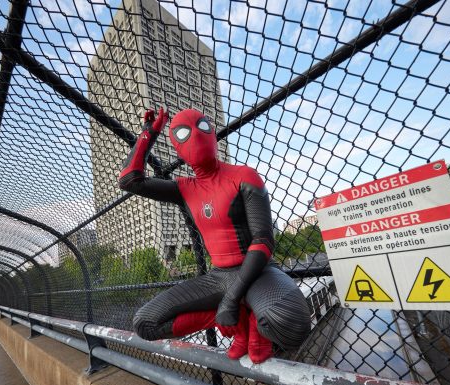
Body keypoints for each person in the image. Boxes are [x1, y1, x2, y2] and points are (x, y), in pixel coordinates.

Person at [119, 107, 311, 363]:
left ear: (213, 135)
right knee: (145, 323)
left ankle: (254, 321)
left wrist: (230, 300)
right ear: (177, 148)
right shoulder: (184, 188)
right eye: (184, 133)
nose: (196, 135)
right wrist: (148, 134)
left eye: (203, 127)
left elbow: (264, 241)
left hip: (257, 272)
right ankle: (243, 320)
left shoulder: (243, 176)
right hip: (218, 277)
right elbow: (129, 180)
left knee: (292, 323)